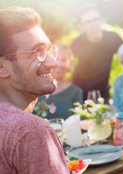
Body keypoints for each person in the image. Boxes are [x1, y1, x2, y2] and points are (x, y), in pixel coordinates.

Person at [0, 6, 68, 173]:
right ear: (2, 67)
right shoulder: (31, 131)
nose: (53, 63)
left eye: (48, 50)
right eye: (37, 52)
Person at [71, 4, 123, 104]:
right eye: (87, 22)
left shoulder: (113, 38)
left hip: (103, 90)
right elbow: (69, 65)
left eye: (95, 19)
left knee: (105, 118)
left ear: (101, 20)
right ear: (82, 26)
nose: (92, 24)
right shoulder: (77, 43)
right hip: (80, 90)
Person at [36, 44, 83, 120]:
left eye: (64, 60)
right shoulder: (36, 87)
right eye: (56, 59)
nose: (59, 64)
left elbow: (79, 122)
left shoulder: (75, 92)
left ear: (69, 64)